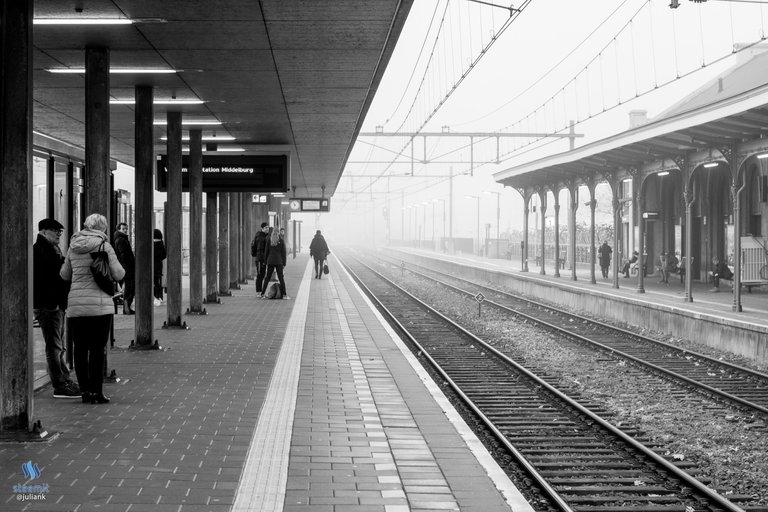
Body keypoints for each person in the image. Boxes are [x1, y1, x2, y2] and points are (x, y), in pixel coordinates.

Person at [60, 213, 125, 404]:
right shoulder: (104, 245)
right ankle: (97, 392)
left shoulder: (73, 246)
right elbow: (119, 273)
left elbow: (64, 274)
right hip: (100, 306)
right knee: (97, 350)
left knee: (79, 349)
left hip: (77, 306)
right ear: (102, 228)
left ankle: (85, 393)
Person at [33, 218, 80, 398]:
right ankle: (59, 385)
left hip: (56, 304)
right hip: (49, 305)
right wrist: (51, 303)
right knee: (54, 347)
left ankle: (64, 378)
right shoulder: (39, 251)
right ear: (44, 232)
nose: (59, 234)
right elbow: (46, 280)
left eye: (60, 232)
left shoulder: (53, 249)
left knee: (59, 346)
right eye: (55, 231)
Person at [260, 227, 288, 300]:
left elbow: (266, 252)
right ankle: (284, 294)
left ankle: (262, 293)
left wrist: (265, 262)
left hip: (270, 261)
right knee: (281, 278)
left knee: (267, 278)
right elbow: (283, 253)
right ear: (278, 233)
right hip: (279, 262)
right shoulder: (281, 241)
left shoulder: (269, 240)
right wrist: (284, 263)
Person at [113, 222, 135, 314]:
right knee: (130, 287)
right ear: (119, 230)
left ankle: (127, 307)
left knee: (129, 287)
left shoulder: (121, 239)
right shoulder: (121, 240)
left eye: (126, 228)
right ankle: (127, 308)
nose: (125, 230)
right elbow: (123, 255)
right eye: (123, 229)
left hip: (126, 266)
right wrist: (130, 261)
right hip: (127, 267)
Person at [252, 222, 270, 295]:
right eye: (266, 228)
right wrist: (262, 259)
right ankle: (258, 292)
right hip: (260, 259)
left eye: (268, 227)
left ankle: (260, 291)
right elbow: (259, 249)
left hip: (263, 259)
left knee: (262, 274)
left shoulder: (265, 236)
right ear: (262, 228)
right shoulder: (260, 237)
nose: (267, 229)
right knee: (260, 275)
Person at [153, 229, 167, 306]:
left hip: (150, 266)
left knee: (151, 282)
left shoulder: (149, 244)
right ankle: (158, 297)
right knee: (157, 282)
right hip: (158, 266)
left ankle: (153, 297)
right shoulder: (161, 244)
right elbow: (164, 256)